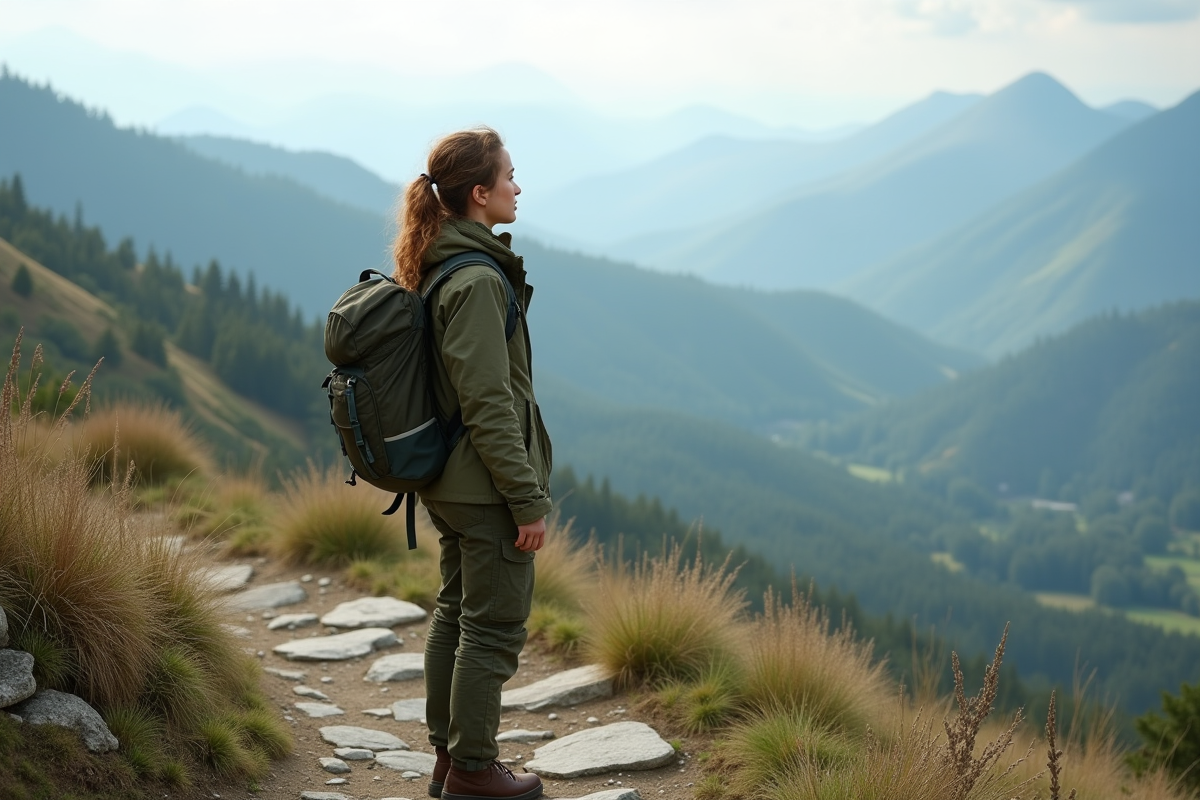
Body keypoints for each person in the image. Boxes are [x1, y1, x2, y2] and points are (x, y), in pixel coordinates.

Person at [392, 127, 551, 800]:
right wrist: (527, 499)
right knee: (490, 628)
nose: (519, 187)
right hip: (483, 484)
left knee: (455, 615)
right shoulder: (480, 279)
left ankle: (448, 761)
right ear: (479, 194)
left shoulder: (441, 262)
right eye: (509, 176)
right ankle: (475, 773)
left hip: (447, 480)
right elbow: (488, 403)